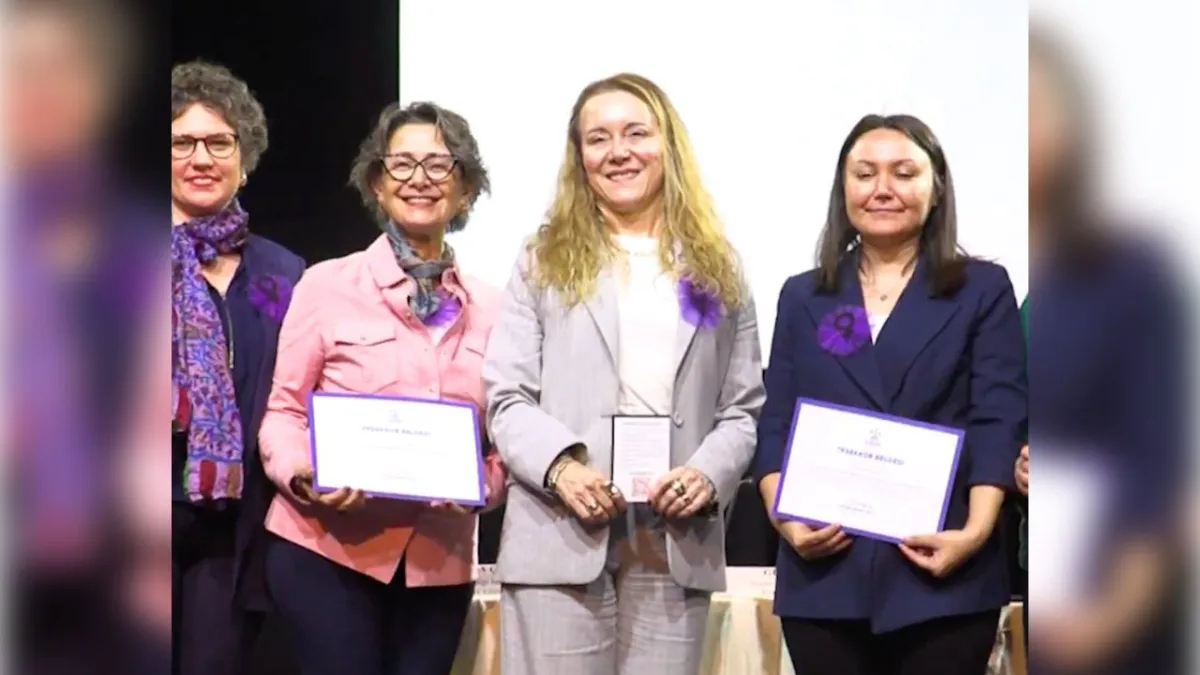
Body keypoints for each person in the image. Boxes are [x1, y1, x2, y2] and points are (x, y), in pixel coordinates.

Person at [483, 73, 764, 675]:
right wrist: (562, 468)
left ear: (668, 145)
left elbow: (742, 408)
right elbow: (506, 396)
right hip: (559, 530)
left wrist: (707, 474)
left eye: (637, 133)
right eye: (598, 138)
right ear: (578, 156)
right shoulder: (543, 258)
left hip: (672, 538)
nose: (618, 152)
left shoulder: (718, 264)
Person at [753, 113, 1027, 675]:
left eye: (904, 173)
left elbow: (997, 418)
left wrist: (973, 535)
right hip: (825, 574)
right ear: (843, 189)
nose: (882, 189)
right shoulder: (805, 295)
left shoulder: (981, 289)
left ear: (936, 188)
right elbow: (776, 420)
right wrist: (785, 520)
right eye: (864, 173)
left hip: (943, 567)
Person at [259, 101, 507, 675]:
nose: (419, 178)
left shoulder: (498, 310)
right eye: (401, 164)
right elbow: (283, 411)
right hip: (325, 550)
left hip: (438, 563)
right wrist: (305, 475)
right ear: (377, 182)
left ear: (466, 189)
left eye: (440, 165)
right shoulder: (325, 284)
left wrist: (480, 486)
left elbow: (503, 443)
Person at [1022, 26, 1187, 675]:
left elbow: (1161, 456)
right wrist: (1017, 464)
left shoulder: (1135, 271)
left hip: (1125, 596)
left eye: (1040, 109)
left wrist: (1119, 608)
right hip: (1046, 577)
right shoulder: (1032, 292)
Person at [170, 60, 306, 675]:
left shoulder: (284, 272)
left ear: (244, 156)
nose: (201, 157)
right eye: (180, 142)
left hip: (237, 529)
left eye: (219, 142)